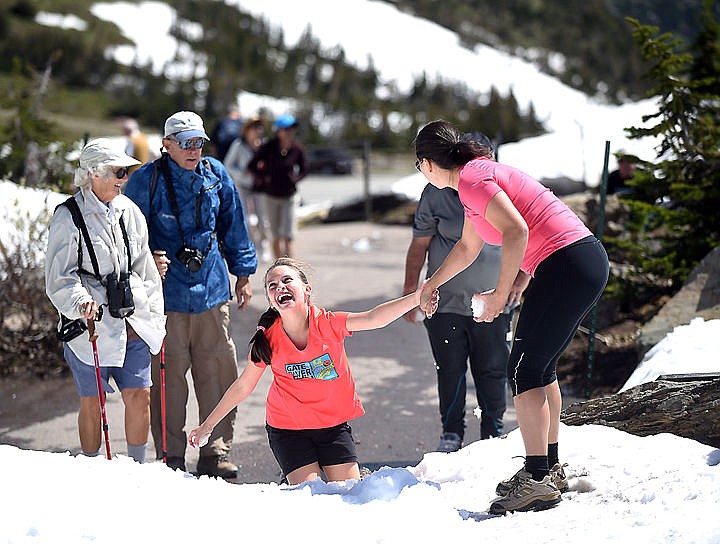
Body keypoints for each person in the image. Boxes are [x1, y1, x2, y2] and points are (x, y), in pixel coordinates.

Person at [414, 120, 609, 515]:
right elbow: (468, 247)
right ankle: (547, 468)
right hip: (575, 262)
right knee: (540, 367)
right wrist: (431, 283)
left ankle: (537, 478)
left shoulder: (472, 179)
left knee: (523, 370)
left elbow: (517, 231)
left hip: (568, 264)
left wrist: (500, 295)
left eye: (418, 166)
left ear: (427, 164)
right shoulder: (472, 180)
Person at [188, 258, 439, 485]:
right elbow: (243, 386)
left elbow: (373, 318)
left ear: (306, 290)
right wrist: (207, 426)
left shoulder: (328, 324)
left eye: (287, 280)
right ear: (271, 301)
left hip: (332, 428)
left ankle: (347, 474)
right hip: (288, 431)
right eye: (272, 286)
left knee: (348, 493)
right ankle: (295, 477)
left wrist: (417, 297)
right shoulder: (268, 339)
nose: (280, 287)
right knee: (312, 493)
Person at [124, 110, 258, 478]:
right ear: (166, 145)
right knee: (168, 381)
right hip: (164, 300)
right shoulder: (146, 181)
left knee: (218, 372)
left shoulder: (216, 174)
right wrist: (148, 256)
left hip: (212, 293)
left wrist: (243, 274)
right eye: (185, 143)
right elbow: (128, 234)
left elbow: (234, 223)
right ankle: (171, 456)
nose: (194, 150)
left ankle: (216, 451)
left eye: (199, 142)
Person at [45, 138, 166, 464]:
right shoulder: (68, 216)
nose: (123, 179)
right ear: (93, 174)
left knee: (140, 395)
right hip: (89, 329)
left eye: (125, 172)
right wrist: (80, 301)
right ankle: (92, 465)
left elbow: (146, 272)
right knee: (92, 400)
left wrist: (155, 319)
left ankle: (137, 468)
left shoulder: (130, 211)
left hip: (132, 320)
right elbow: (60, 277)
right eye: (118, 172)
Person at [403, 133, 513, 453]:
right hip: (445, 304)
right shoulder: (435, 193)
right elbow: (419, 245)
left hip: (493, 302)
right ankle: (451, 433)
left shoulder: (502, 191)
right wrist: (411, 294)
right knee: (450, 370)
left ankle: (492, 434)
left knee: (492, 371)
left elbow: (524, 236)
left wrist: (517, 284)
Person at [247, 114, 308, 260]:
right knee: (275, 234)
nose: (289, 133)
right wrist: (264, 177)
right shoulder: (269, 147)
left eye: (291, 129)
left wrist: (295, 179)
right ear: (278, 131)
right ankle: (279, 266)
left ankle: (291, 268)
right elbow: (252, 165)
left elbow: (305, 169)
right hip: (271, 195)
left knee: (288, 234)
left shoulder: (297, 149)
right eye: (286, 129)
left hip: (289, 196)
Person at [224, 116, 271, 262]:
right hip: (243, 186)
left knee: (263, 218)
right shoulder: (238, 145)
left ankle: (264, 245)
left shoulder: (264, 145)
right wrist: (241, 174)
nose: (258, 131)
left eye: (259, 128)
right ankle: (254, 246)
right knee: (244, 217)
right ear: (247, 131)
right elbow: (228, 164)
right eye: (254, 128)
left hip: (260, 186)